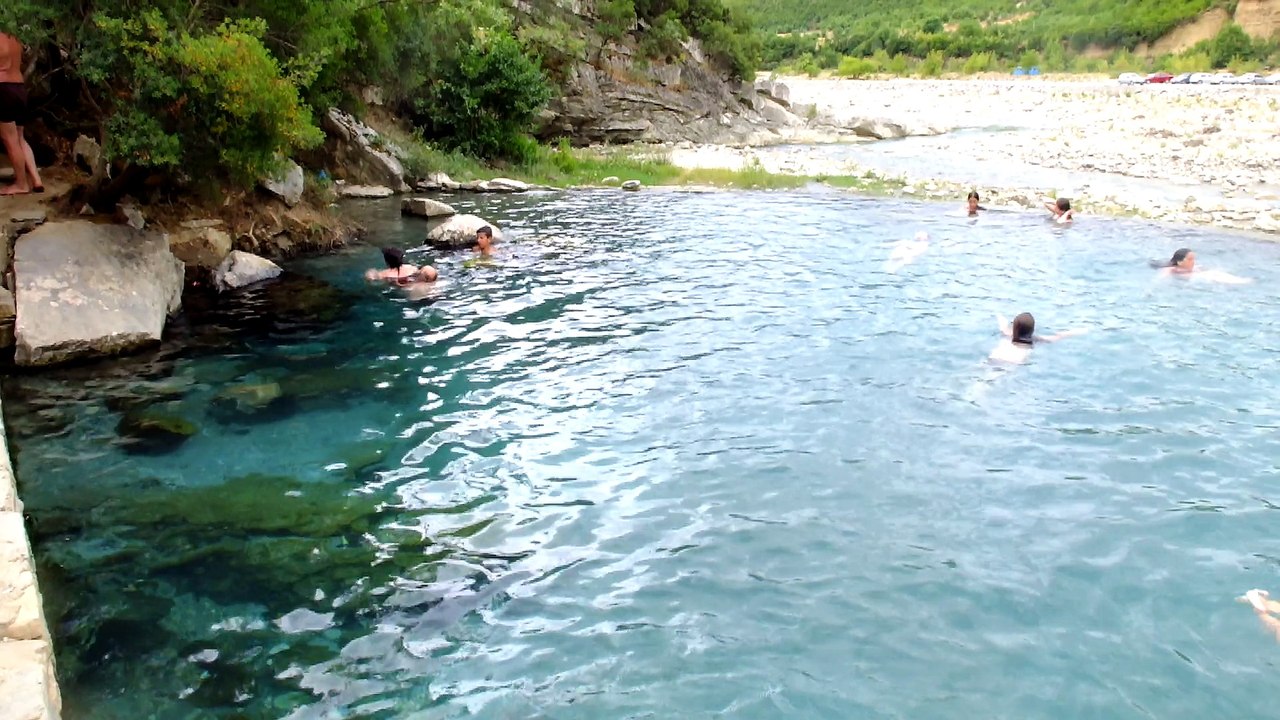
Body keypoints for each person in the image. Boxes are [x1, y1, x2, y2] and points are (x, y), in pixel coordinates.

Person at [0, 31, 42, 196]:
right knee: (20, 137)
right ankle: (36, 179)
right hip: (19, 88)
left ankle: (21, 184)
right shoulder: (13, 36)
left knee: (10, 139)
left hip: (3, 88)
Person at [989, 312, 1087, 364]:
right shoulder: (1036, 339)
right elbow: (1058, 337)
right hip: (1015, 361)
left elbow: (1003, 324)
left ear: (1014, 328)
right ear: (1032, 330)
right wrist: (1079, 331)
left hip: (997, 356)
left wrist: (998, 314)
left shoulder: (1008, 334)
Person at [1151, 248, 1250, 284]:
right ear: (1180, 262)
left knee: (1214, 273)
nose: (1193, 262)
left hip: (1194, 275)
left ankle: (1239, 280)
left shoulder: (1194, 267)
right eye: (1190, 259)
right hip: (1188, 277)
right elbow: (1159, 279)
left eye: (1194, 259)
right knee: (1209, 276)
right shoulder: (1171, 269)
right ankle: (1238, 282)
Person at [364, 246, 437, 284]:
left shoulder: (384, 274)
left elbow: (370, 277)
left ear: (387, 261)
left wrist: (370, 273)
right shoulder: (412, 268)